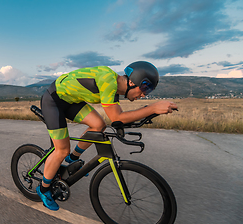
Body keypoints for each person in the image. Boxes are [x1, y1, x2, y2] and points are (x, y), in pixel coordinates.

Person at [37, 61, 178, 211]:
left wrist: (149, 113)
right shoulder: (108, 80)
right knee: (61, 150)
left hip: (71, 101)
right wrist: (152, 108)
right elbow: (118, 118)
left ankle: (72, 159)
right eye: (145, 88)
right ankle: (44, 189)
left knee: (99, 125)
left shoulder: (115, 89)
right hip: (53, 100)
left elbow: (120, 119)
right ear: (132, 81)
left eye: (148, 91)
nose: (144, 95)